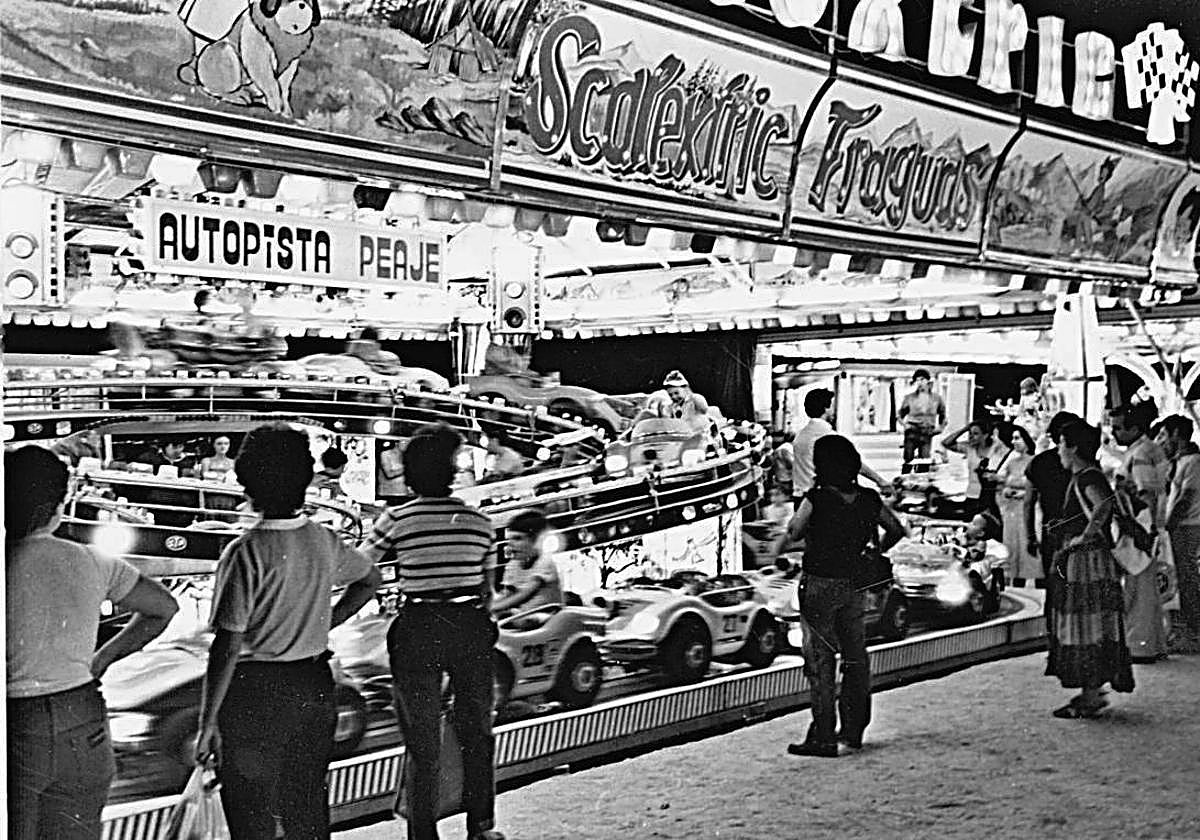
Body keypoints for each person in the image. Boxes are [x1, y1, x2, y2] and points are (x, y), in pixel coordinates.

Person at [195, 424, 382, 840]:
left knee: (252, 813)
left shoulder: (244, 553)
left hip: (254, 693)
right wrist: (325, 622)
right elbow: (370, 580)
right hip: (313, 686)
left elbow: (227, 645)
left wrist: (207, 722)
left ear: (247, 483)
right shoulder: (324, 540)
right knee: (307, 806)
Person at [6, 445, 179, 840]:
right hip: (82, 717)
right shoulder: (91, 560)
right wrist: (101, 660)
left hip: (15, 723)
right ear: (60, 504)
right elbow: (162, 608)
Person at [359, 423, 505, 840]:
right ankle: (481, 826)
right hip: (469, 624)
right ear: (452, 472)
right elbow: (488, 591)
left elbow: (363, 565)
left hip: (419, 626)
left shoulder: (397, 519)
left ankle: (423, 832)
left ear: (409, 476)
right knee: (477, 730)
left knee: (422, 738)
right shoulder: (480, 522)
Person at [774, 435, 906, 757]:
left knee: (820, 661)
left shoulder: (817, 498)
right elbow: (897, 530)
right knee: (855, 656)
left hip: (820, 583)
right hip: (854, 584)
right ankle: (854, 728)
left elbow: (794, 532)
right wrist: (873, 552)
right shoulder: (868, 498)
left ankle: (823, 736)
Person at [1045, 420, 1134, 717]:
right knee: (1094, 623)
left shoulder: (1086, 477)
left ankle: (1091, 693)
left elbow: (1103, 506)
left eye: (1060, 443)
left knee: (1086, 624)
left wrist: (1083, 537)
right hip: (1090, 560)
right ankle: (1091, 691)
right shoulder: (1087, 475)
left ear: (1072, 447)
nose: (1058, 450)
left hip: (1086, 561)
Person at [1110, 402, 1169, 662]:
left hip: (1140, 525)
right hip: (1145, 525)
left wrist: (1141, 530)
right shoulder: (1145, 449)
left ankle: (1140, 646)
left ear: (1135, 428)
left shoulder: (1142, 453)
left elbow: (1145, 495)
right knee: (1146, 590)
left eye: (1119, 428)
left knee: (1137, 590)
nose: (1114, 434)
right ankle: (1152, 644)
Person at [791, 388, 887, 503]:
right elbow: (853, 464)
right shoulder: (828, 436)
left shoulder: (801, 436)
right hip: (818, 498)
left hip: (799, 496)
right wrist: (880, 481)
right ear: (826, 408)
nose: (833, 411)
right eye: (832, 406)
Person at [1158, 415, 1200, 650]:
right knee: (1180, 577)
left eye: (1165, 434)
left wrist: (1168, 525)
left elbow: (1186, 498)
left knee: (1186, 577)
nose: (1162, 440)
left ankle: (1193, 629)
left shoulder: (1194, 461)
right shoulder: (1179, 461)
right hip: (1179, 526)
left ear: (1176, 434)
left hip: (1187, 526)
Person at [492, 509, 564, 614]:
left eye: (517, 539)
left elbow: (525, 594)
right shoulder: (513, 565)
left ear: (536, 541)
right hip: (523, 615)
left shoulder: (545, 562)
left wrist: (494, 608)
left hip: (549, 616)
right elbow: (507, 593)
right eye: (509, 539)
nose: (510, 544)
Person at [940, 417, 1012, 516]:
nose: (971, 436)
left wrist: (995, 440)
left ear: (985, 435)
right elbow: (946, 443)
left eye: (976, 434)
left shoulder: (996, 449)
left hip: (988, 496)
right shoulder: (969, 448)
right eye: (970, 433)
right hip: (971, 494)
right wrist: (965, 429)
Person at [998, 425, 1037, 584]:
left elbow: (1038, 486)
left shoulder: (1034, 461)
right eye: (1012, 439)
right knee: (1011, 545)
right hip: (1011, 509)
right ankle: (1012, 577)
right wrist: (1006, 491)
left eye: (1017, 438)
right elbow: (1002, 481)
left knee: (1024, 544)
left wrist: (1025, 494)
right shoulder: (1011, 462)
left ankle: (1027, 578)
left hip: (1027, 508)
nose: (1014, 442)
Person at [634, 370, 712, 435]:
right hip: (683, 438)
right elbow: (668, 423)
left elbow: (704, 409)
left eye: (676, 393)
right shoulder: (671, 407)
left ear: (685, 389)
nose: (674, 397)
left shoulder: (695, 399)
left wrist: (692, 398)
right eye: (670, 395)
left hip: (699, 435)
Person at [898, 369, 946, 463]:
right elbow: (899, 415)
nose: (920, 382)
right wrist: (904, 425)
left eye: (922, 379)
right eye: (917, 380)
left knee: (924, 461)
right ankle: (905, 476)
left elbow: (943, 415)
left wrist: (941, 428)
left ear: (928, 380)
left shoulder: (936, 398)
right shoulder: (909, 398)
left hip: (927, 432)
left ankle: (922, 476)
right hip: (912, 431)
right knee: (908, 460)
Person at [769, 430, 795, 496]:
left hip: (780, 476)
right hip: (786, 477)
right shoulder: (787, 448)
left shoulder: (780, 449)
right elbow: (790, 463)